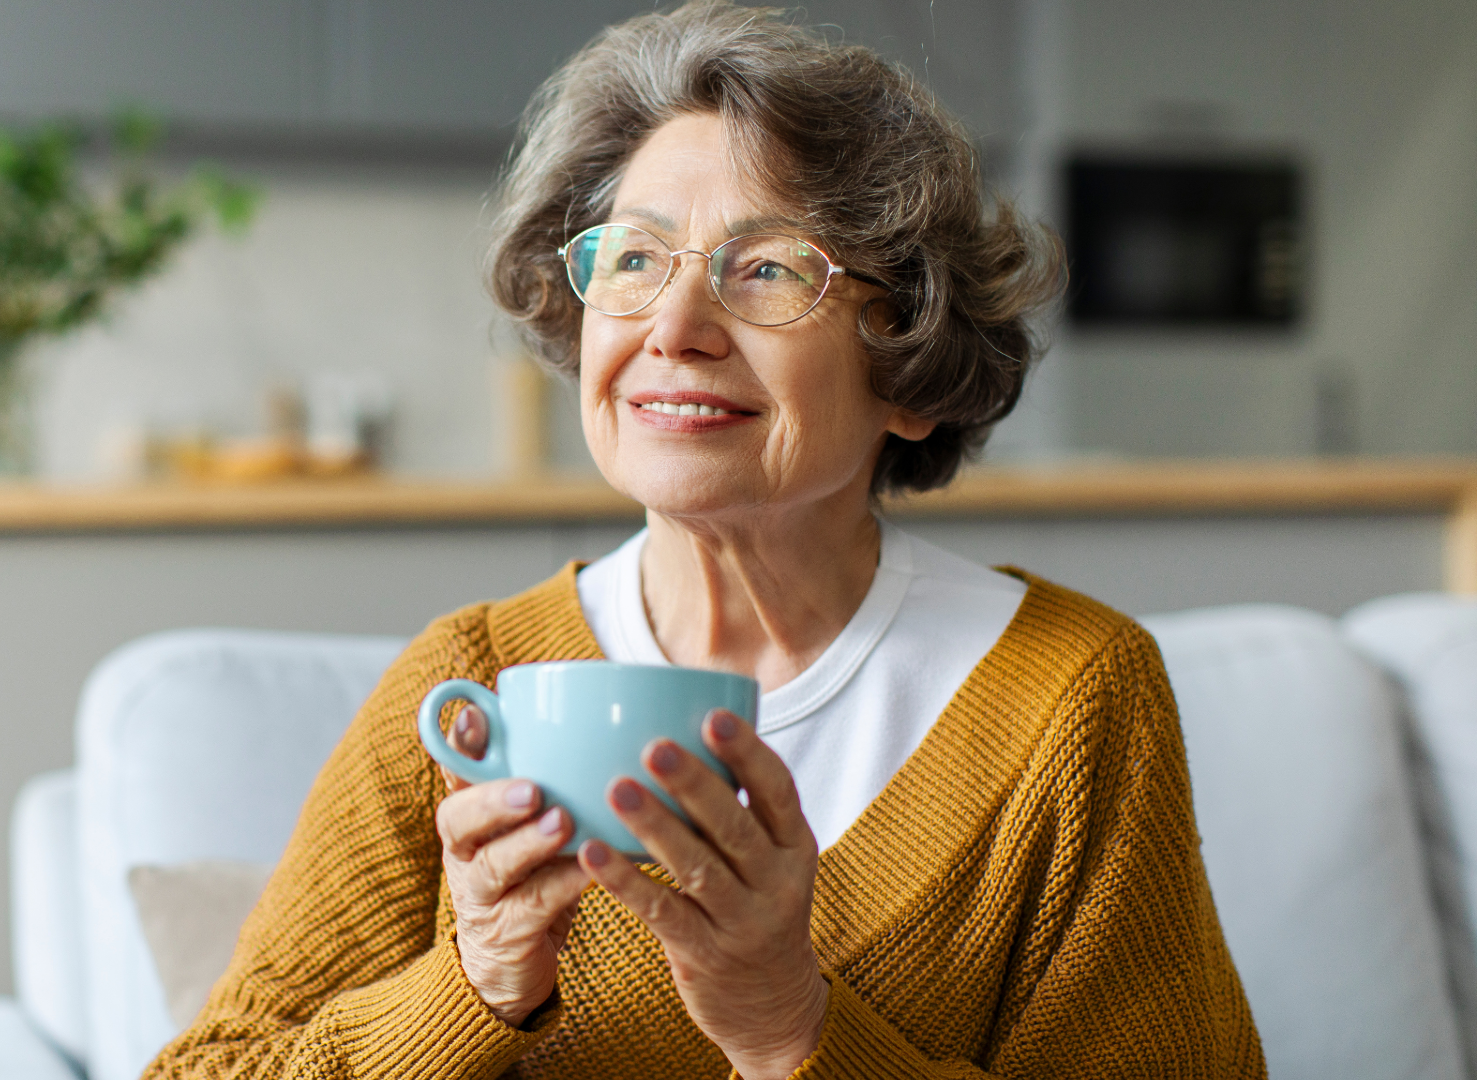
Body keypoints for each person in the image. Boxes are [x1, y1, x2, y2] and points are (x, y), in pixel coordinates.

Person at [145, 3, 1263, 1077]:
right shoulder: (464, 688)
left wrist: (791, 1030)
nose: (673, 329)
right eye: (632, 260)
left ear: (911, 371)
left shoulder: (1070, 698)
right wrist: (471, 986)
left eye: (768, 269)